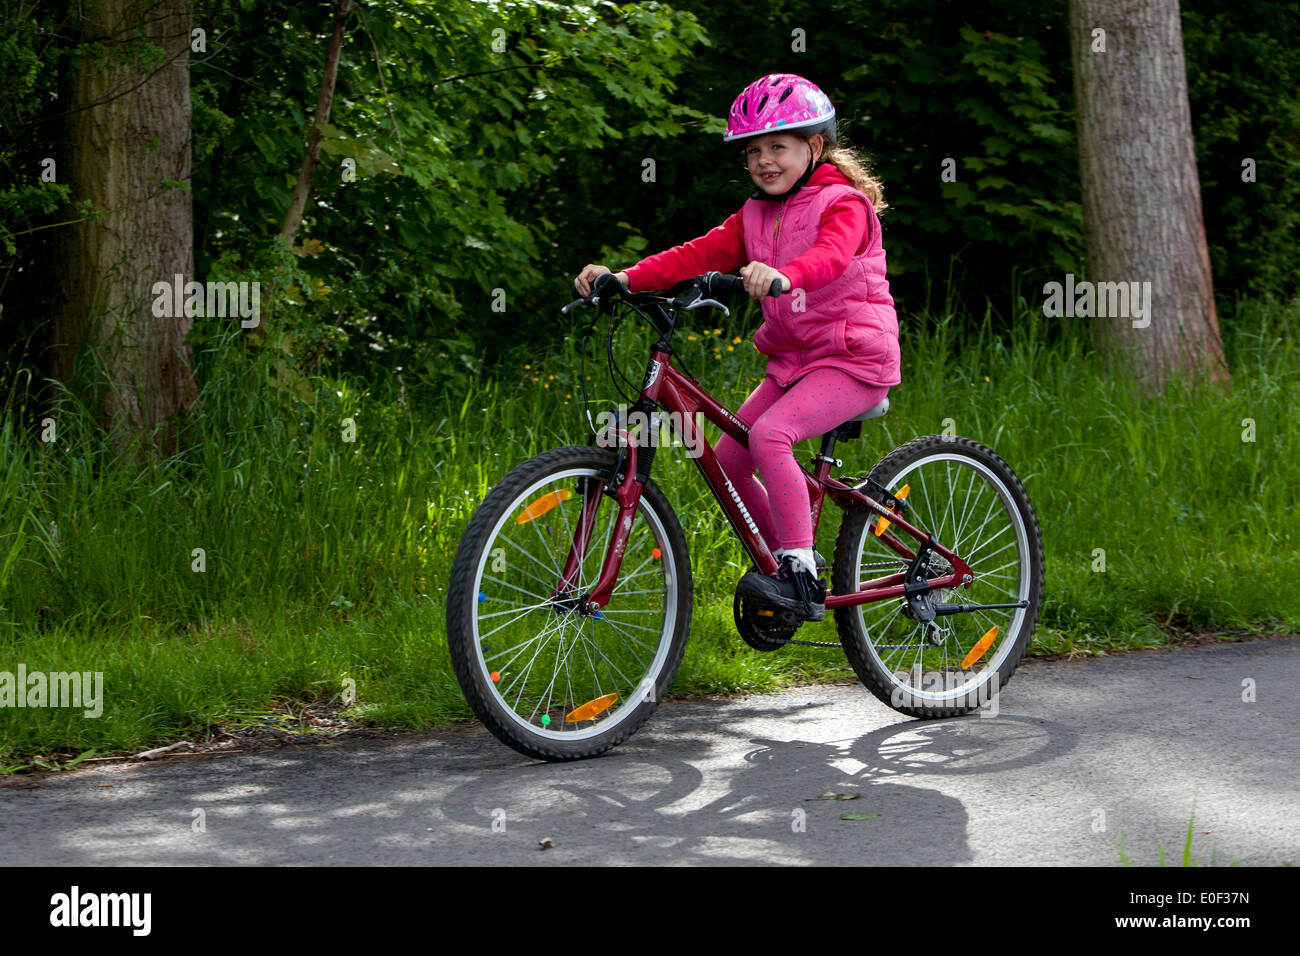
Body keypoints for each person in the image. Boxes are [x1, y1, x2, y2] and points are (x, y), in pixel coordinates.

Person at [574, 73, 900, 621]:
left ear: (814, 147)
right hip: (792, 364)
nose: (765, 160)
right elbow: (696, 254)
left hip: (853, 358)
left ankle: (800, 570)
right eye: (754, 151)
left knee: (771, 437)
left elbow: (832, 257)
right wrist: (625, 278)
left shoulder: (844, 204)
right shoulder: (754, 215)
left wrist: (784, 276)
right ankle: (785, 565)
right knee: (729, 455)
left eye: (778, 146)